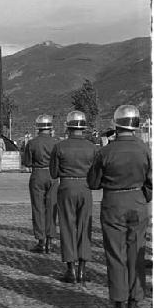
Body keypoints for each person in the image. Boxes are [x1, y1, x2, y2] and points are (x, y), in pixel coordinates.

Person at [87, 105, 151, 308]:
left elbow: (94, 183)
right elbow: (150, 181)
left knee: (116, 253)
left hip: (114, 202)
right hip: (138, 201)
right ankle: (135, 298)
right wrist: (143, 197)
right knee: (136, 252)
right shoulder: (144, 149)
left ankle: (119, 300)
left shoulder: (105, 151)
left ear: (116, 124)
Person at [50, 111, 97, 284]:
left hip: (66, 187)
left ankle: (70, 269)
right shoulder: (92, 147)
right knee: (85, 226)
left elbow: (54, 173)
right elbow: (96, 173)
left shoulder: (60, 147)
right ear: (83, 127)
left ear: (68, 126)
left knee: (67, 226)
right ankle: (83, 270)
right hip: (85, 187)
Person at [24, 114, 59, 254]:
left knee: (38, 208)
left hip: (38, 174)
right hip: (52, 175)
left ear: (37, 127)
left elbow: (27, 162)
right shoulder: (56, 143)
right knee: (52, 208)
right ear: (50, 127)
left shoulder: (32, 143)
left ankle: (41, 240)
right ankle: (50, 240)